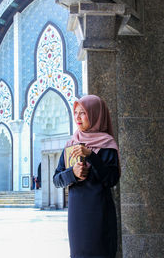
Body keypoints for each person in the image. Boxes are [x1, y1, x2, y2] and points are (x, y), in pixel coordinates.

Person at [53, 95, 120, 258]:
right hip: (77, 215)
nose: (77, 117)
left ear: (95, 114)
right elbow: (57, 179)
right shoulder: (71, 144)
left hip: (100, 213)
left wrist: (91, 156)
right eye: (75, 112)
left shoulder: (106, 144)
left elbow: (111, 179)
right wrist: (73, 174)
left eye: (83, 112)